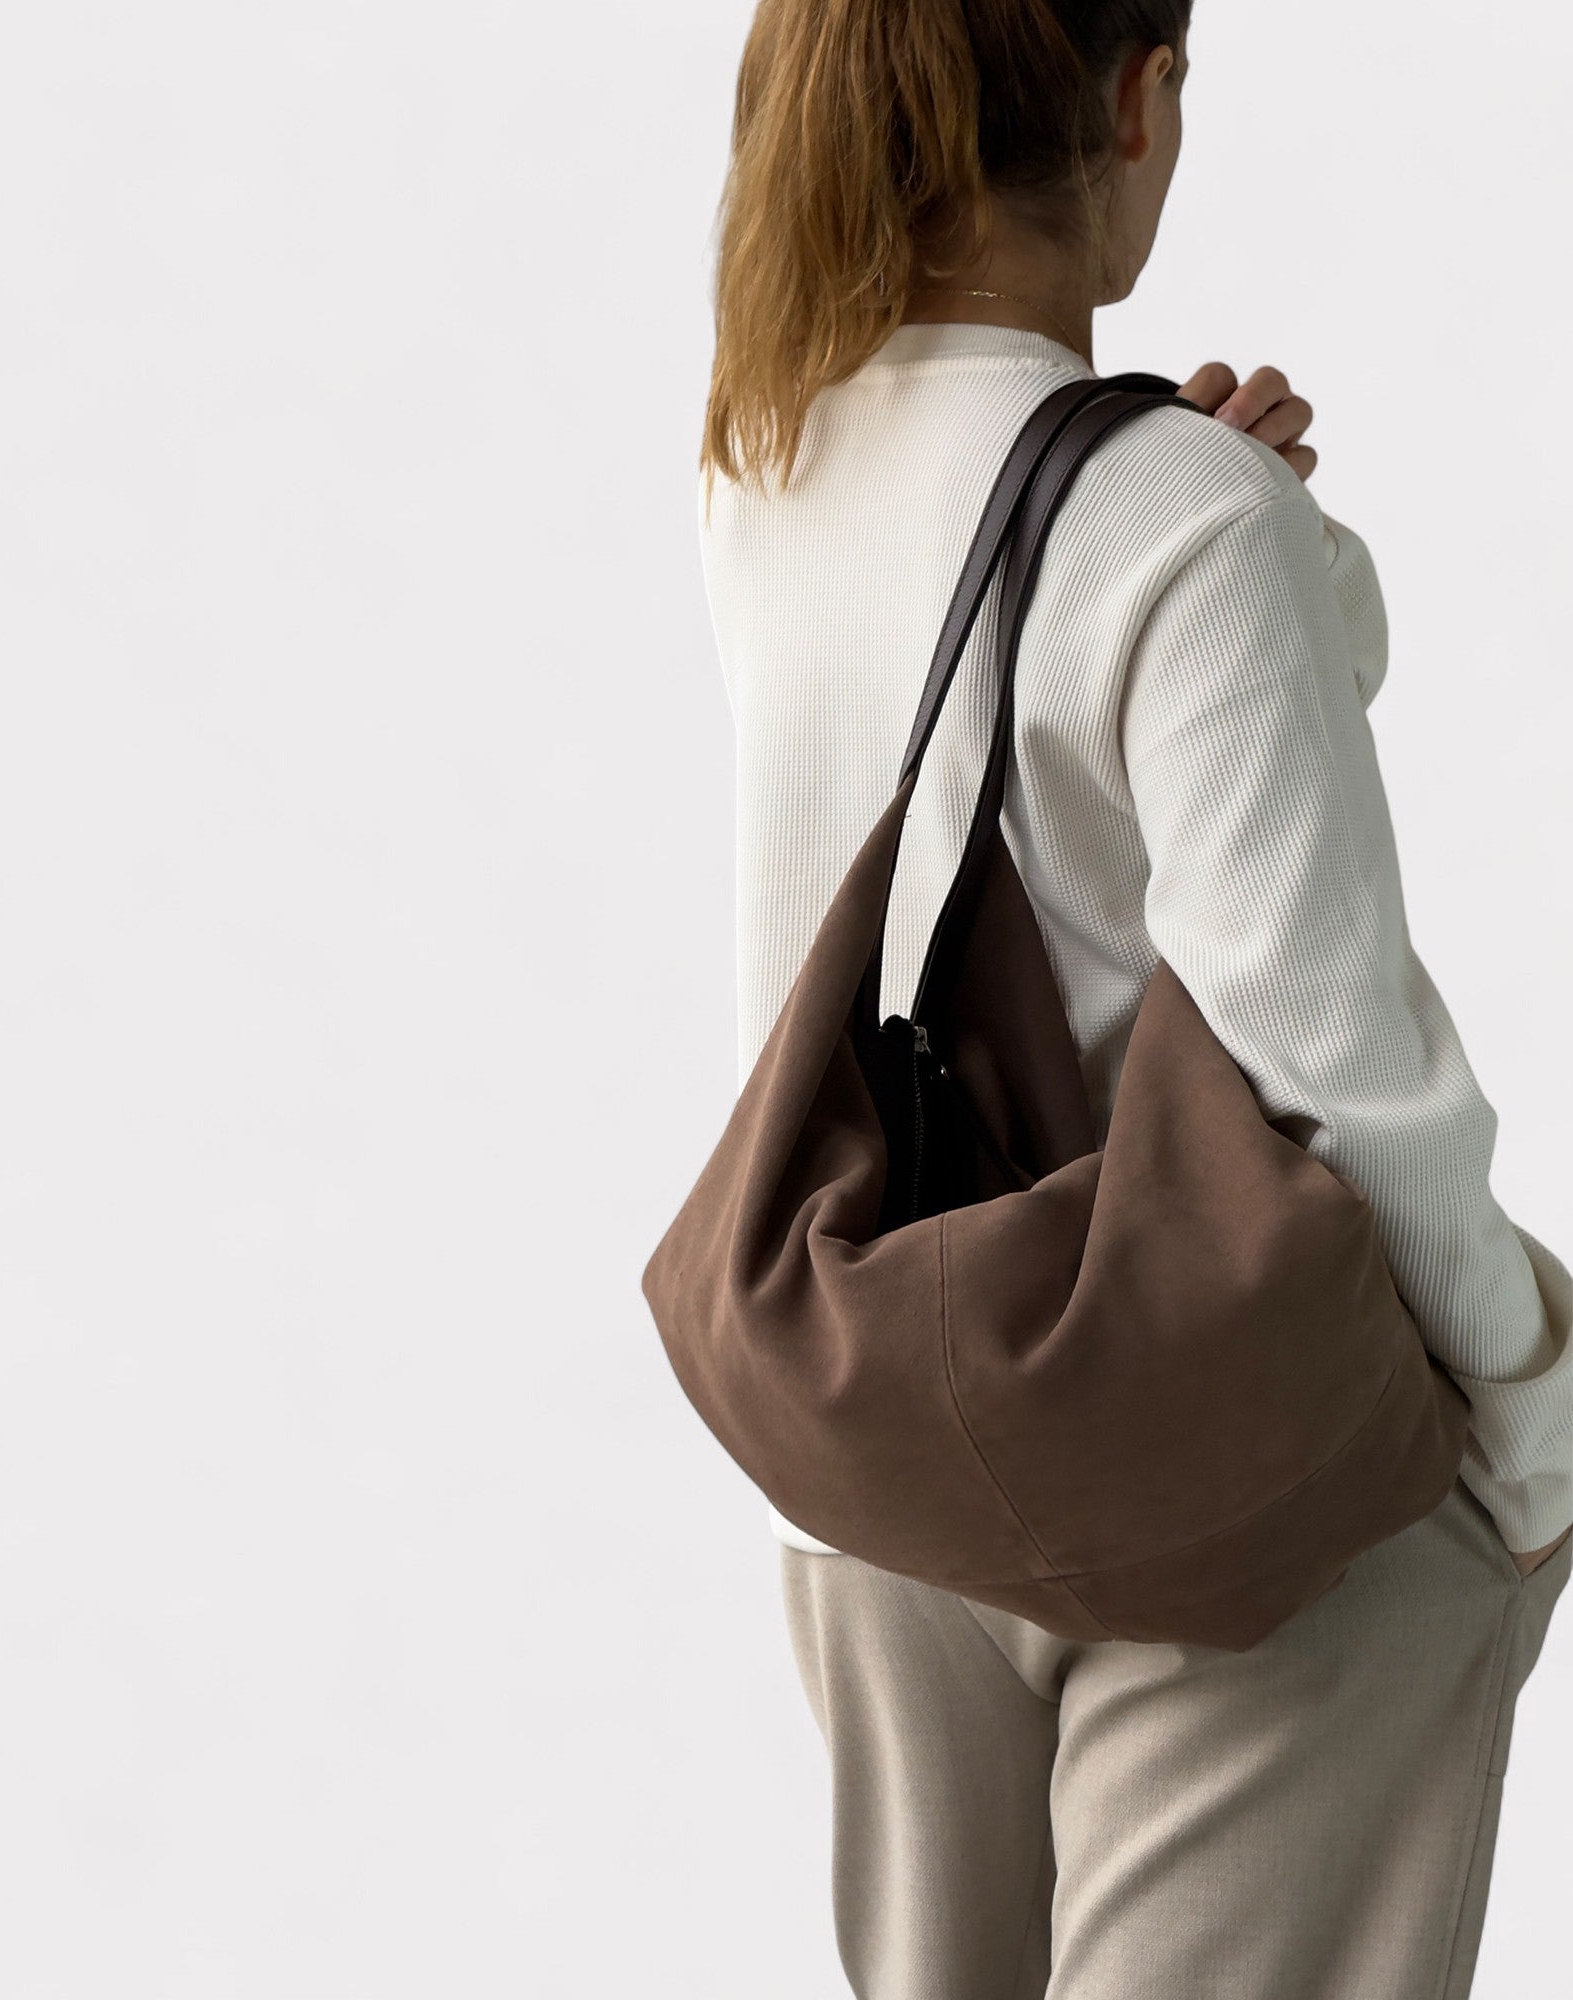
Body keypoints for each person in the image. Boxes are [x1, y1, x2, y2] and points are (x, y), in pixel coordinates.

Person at [692, 3, 1573, 1994]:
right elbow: (1329, 1054)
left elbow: (1021, 698)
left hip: (878, 1471)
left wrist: (1250, 538)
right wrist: (1529, 1415)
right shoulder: (1178, 512)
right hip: (1213, 1483)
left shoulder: (759, 460)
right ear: (1134, 96)